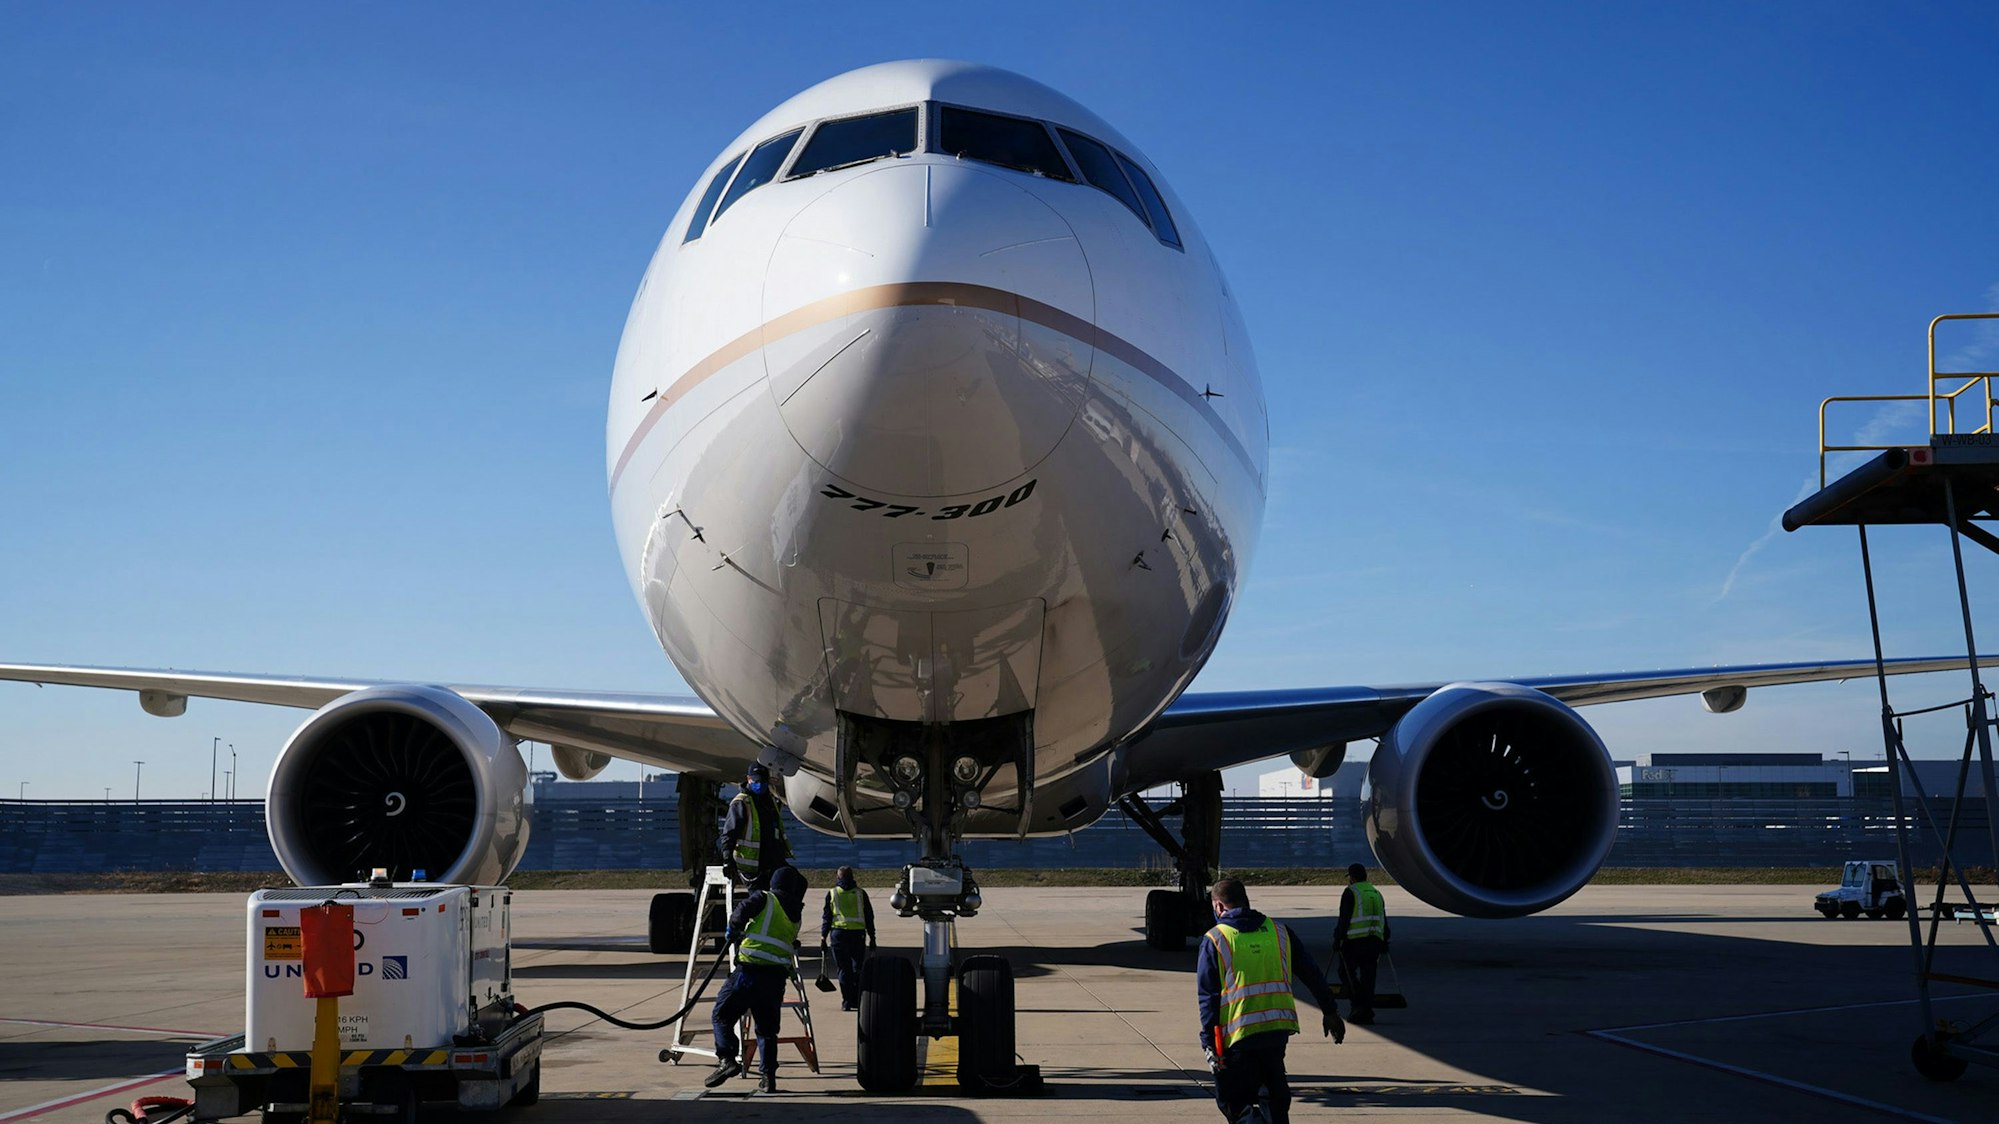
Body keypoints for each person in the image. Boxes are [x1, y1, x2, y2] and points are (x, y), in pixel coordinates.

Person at [1197, 877, 1343, 1124]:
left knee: (1233, 1101)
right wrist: (1330, 1011)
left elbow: (1208, 997)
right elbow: (1311, 973)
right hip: (1276, 1033)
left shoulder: (1215, 939)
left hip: (1237, 1038)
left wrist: (1209, 1043)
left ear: (1219, 907)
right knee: (1274, 1099)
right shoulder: (1280, 932)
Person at [705, 864, 807, 1094]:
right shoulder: (795, 915)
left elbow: (741, 911)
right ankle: (768, 1078)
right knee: (766, 1031)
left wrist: (733, 928)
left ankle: (727, 1059)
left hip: (749, 973)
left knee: (721, 1015)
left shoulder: (765, 898)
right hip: (775, 980)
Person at [1331, 862, 1390, 1025]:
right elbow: (1383, 918)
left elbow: (1344, 918)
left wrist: (1338, 938)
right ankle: (1367, 1009)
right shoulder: (1376, 893)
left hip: (1355, 942)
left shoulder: (1351, 892)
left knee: (1345, 973)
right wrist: (1385, 939)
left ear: (1352, 877)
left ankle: (1358, 1004)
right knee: (1369, 977)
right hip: (1374, 942)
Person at [718, 763, 791, 890]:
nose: (760, 784)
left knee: (795, 884)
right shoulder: (741, 802)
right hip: (752, 865)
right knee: (761, 899)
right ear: (748, 779)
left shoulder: (771, 801)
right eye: (756, 781)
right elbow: (729, 833)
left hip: (772, 860)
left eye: (763, 781)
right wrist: (727, 859)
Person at [819, 864, 877, 1011]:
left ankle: (846, 1001)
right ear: (852, 877)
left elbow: (827, 916)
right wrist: (872, 937)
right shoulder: (860, 893)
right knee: (857, 968)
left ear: (838, 877)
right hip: (857, 934)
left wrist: (823, 937)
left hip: (838, 934)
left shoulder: (832, 893)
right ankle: (857, 999)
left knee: (843, 970)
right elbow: (869, 916)